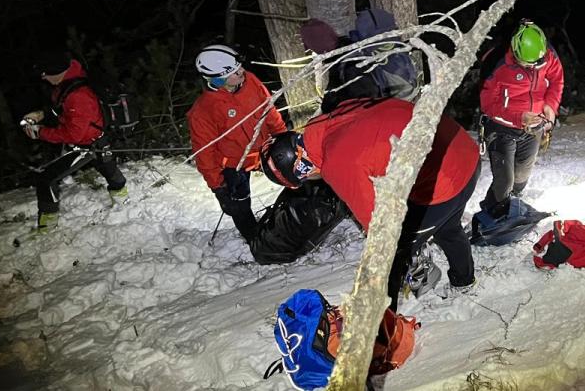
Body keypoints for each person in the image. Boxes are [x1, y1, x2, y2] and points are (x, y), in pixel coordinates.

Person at [260, 98, 480, 307]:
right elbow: (376, 147)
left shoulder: (336, 164)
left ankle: (384, 329)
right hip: (461, 147)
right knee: (447, 227)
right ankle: (464, 282)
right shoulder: (334, 119)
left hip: (447, 177)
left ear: (302, 170)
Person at [474, 20, 563, 244]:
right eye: (527, 63)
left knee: (522, 175)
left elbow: (556, 80)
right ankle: (491, 216)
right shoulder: (496, 62)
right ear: (514, 51)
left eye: (537, 63)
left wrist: (550, 106)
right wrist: (517, 117)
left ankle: (513, 209)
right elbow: (488, 105)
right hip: (501, 127)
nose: (533, 68)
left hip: (534, 126)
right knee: (504, 181)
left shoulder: (547, 55)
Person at [186, 44, 286, 243]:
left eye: (239, 67)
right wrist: (218, 187)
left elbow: (269, 110)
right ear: (218, 79)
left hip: (265, 148)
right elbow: (204, 153)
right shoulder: (203, 111)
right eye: (234, 72)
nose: (242, 72)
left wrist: (282, 136)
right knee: (239, 204)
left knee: (294, 175)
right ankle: (254, 238)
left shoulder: (250, 81)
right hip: (234, 164)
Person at [21, 51, 128, 231]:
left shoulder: (78, 94)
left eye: (46, 74)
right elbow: (62, 109)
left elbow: (73, 135)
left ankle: (47, 226)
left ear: (57, 71)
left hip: (86, 144)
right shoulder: (71, 80)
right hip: (99, 139)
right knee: (107, 167)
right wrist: (41, 114)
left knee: (46, 178)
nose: (45, 78)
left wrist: (40, 133)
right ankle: (122, 200)